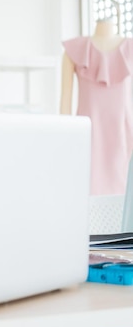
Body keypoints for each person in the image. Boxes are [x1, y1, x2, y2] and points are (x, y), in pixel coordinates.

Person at [60, 18, 133, 195]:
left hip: (124, 140)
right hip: (87, 139)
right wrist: (63, 145)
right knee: (87, 199)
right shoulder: (74, 51)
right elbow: (65, 104)